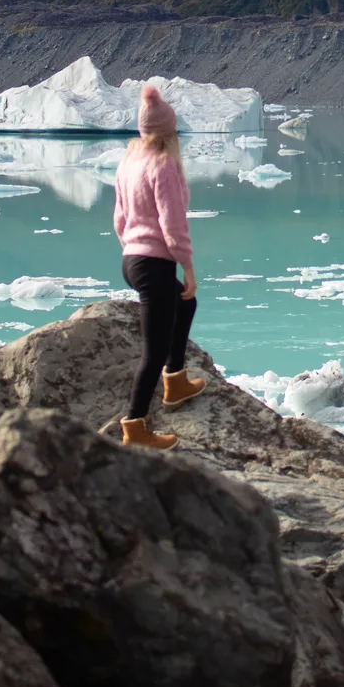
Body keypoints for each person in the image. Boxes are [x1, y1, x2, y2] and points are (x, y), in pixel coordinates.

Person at [113, 83, 206, 449]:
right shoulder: (163, 164)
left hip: (132, 260)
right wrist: (188, 268)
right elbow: (173, 225)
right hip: (153, 263)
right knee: (152, 353)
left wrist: (133, 249)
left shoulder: (129, 162)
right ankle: (135, 429)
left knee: (185, 304)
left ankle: (176, 381)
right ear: (169, 131)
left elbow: (120, 219)